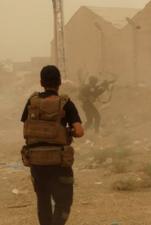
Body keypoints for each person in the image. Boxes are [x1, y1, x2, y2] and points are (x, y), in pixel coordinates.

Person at [20, 65, 84, 225]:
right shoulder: (65, 103)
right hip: (58, 163)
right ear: (60, 82)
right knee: (63, 203)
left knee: (43, 202)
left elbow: (27, 125)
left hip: (37, 163)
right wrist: (67, 132)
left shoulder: (32, 101)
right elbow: (79, 131)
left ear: (41, 82)